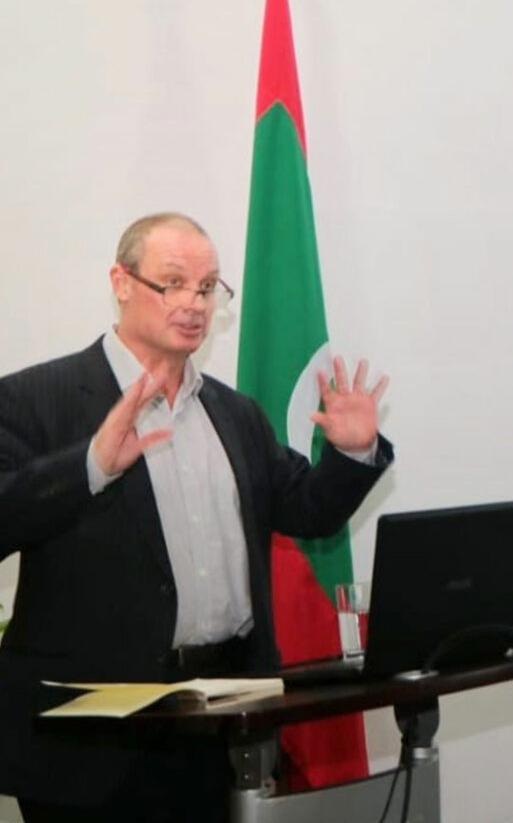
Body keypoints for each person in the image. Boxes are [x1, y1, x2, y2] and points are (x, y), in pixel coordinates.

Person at [0, 212, 394, 822]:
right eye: (173, 283)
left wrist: (352, 453)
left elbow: (308, 510)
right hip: (92, 750)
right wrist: (90, 466)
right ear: (121, 282)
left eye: (208, 288)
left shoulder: (235, 414)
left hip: (223, 727)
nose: (194, 303)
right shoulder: (33, 400)